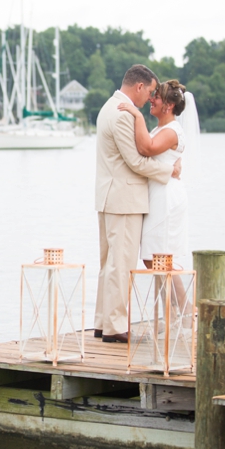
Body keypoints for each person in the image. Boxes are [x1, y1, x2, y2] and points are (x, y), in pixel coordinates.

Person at [94, 65, 181, 343]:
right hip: (124, 200)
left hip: (109, 197)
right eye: (150, 91)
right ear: (139, 87)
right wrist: (169, 172)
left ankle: (102, 321)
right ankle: (116, 326)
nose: (150, 98)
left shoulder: (109, 107)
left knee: (108, 263)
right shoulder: (122, 114)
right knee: (120, 264)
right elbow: (135, 160)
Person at [116, 79, 199, 272]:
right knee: (152, 258)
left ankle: (184, 303)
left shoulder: (171, 131)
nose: (152, 100)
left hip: (166, 196)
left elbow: (147, 148)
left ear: (169, 106)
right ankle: (175, 302)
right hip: (157, 194)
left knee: (158, 258)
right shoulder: (160, 129)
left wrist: (138, 115)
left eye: (157, 98)